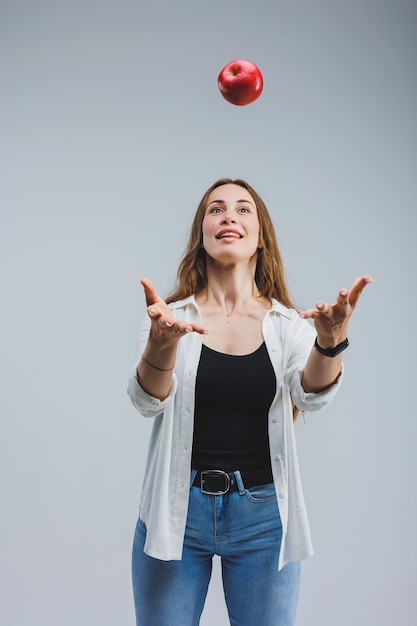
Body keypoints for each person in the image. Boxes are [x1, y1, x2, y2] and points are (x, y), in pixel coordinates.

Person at [127, 178, 373, 626]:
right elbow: (147, 400)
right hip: (177, 512)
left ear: (260, 238)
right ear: (201, 233)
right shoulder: (171, 317)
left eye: (243, 210)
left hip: (263, 520)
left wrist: (330, 343)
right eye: (215, 209)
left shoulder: (288, 325)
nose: (228, 217)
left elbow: (310, 395)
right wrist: (162, 345)